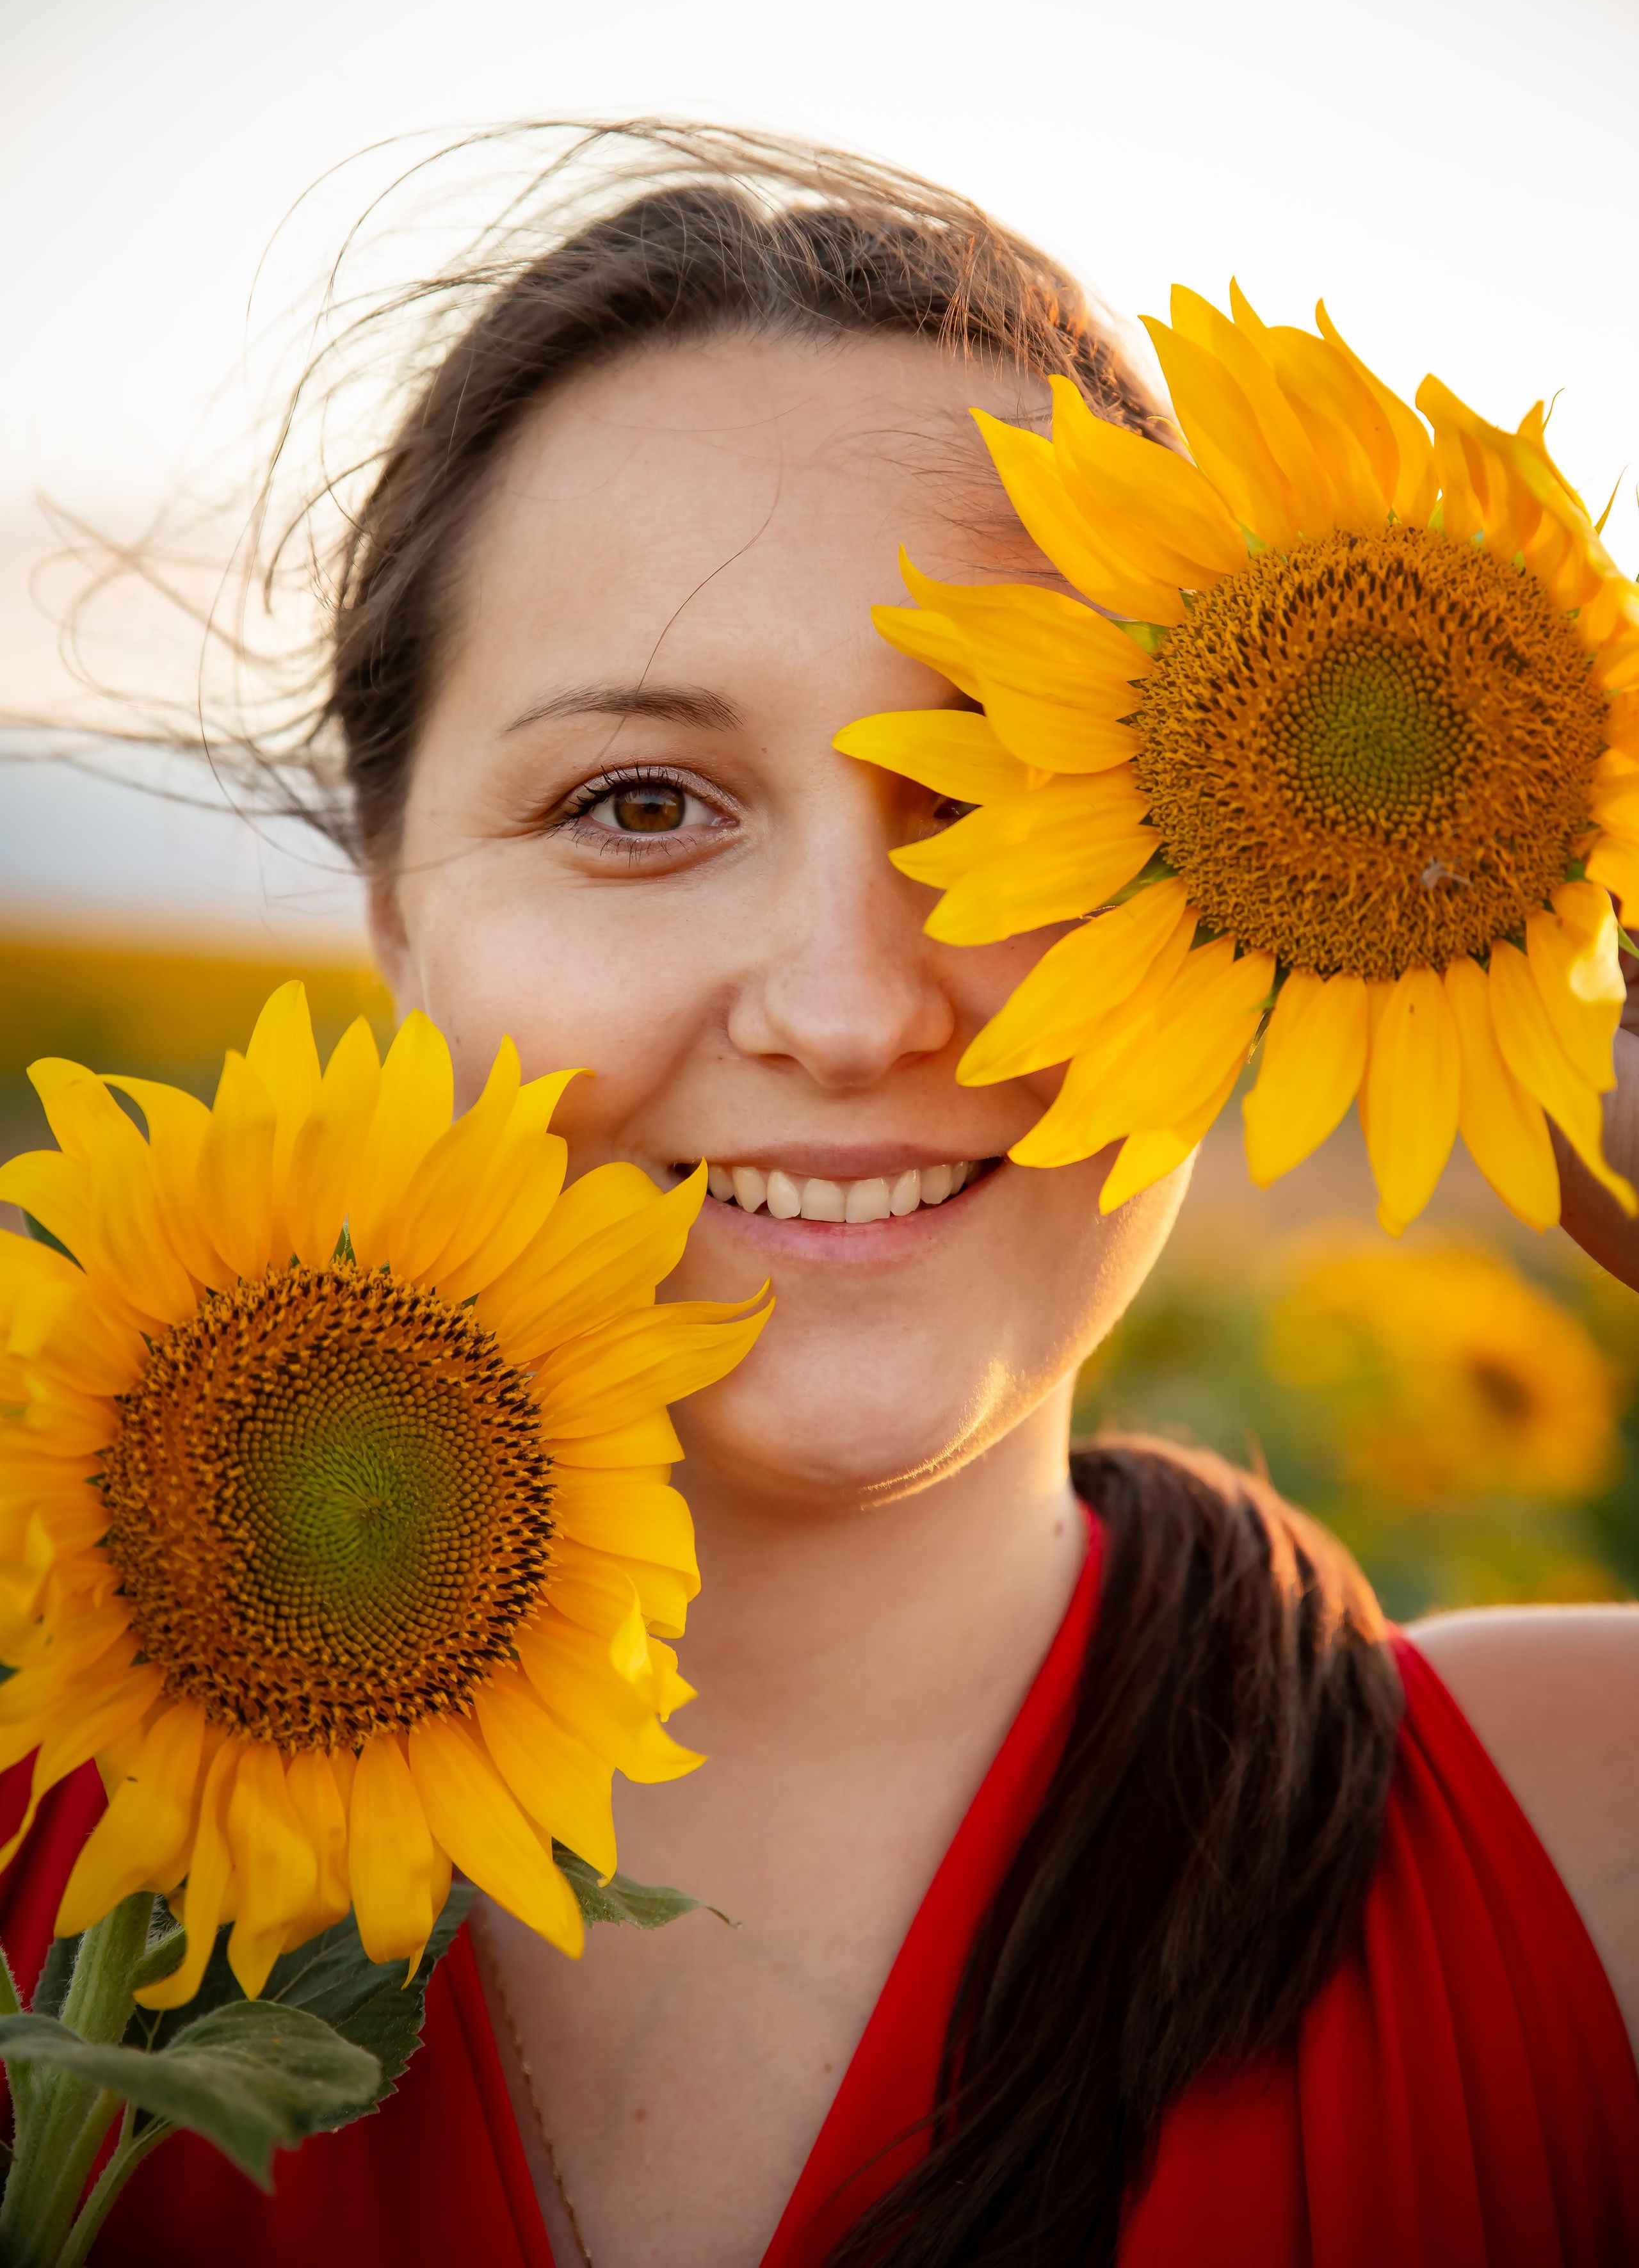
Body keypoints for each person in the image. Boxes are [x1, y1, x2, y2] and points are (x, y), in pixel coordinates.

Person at [2, 123, 1636, 2267]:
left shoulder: (1587, 1845)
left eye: (988, 799)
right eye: (644, 801)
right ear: (396, 924)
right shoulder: (55, 1778)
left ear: (1257, 908)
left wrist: (1538, 924)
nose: (857, 1008)